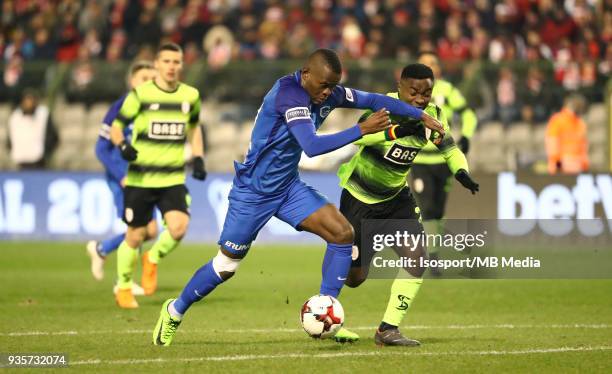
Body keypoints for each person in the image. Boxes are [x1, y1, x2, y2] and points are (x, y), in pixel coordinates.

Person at [151, 48, 446, 346]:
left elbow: (374, 99)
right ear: (306, 74)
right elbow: (311, 146)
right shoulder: (289, 96)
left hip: (288, 187)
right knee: (226, 266)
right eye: (323, 86)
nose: (328, 93)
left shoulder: (328, 92)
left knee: (342, 233)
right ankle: (175, 310)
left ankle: (327, 314)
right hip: (254, 191)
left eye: (333, 86)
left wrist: (420, 115)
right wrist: (360, 130)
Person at [337, 63, 479, 346]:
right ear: (400, 87)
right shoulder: (383, 109)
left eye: (426, 93)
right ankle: (327, 313)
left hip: (396, 199)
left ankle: (387, 329)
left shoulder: (434, 116)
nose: (420, 99)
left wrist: (461, 170)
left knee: (417, 256)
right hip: (360, 198)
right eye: (413, 91)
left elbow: (450, 149)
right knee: (355, 277)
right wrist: (399, 130)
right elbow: (360, 135)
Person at [110, 42, 207, 309]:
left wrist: (198, 156)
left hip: (173, 178)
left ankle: (152, 258)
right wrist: (123, 146)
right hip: (141, 178)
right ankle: (125, 286)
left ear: (181, 65)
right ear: (156, 65)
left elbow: (194, 127)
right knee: (135, 235)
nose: (171, 67)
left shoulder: (190, 96)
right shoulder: (140, 95)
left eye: (176, 62)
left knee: (178, 228)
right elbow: (116, 128)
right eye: (166, 61)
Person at [86, 61, 158, 293]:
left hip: (145, 178)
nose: (148, 82)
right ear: (132, 82)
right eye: (143, 78)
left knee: (150, 231)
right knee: (138, 228)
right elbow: (101, 148)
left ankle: (102, 250)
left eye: (151, 77)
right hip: (124, 179)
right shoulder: (121, 107)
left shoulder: (154, 108)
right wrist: (121, 176)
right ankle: (122, 282)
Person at [413, 52, 479, 275]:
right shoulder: (408, 92)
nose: (428, 67)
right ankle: (430, 256)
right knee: (428, 206)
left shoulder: (447, 91)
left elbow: (469, 115)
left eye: (432, 63)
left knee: (439, 210)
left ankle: (433, 250)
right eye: (424, 63)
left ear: (438, 68)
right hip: (419, 159)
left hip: (443, 160)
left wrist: (467, 136)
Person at [7, 89, 58, 169]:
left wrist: (45, 153)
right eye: (26, 101)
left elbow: (53, 137)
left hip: (39, 161)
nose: (29, 104)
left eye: (31, 101)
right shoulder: (15, 117)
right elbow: (10, 139)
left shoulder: (43, 114)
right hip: (20, 161)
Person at [545, 94, 589, 174]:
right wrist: (557, 164)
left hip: (577, 167)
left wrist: (584, 165)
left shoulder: (580, 123)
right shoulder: (557, 120)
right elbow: (552, 143)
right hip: (560, 167)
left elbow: (583, 146)